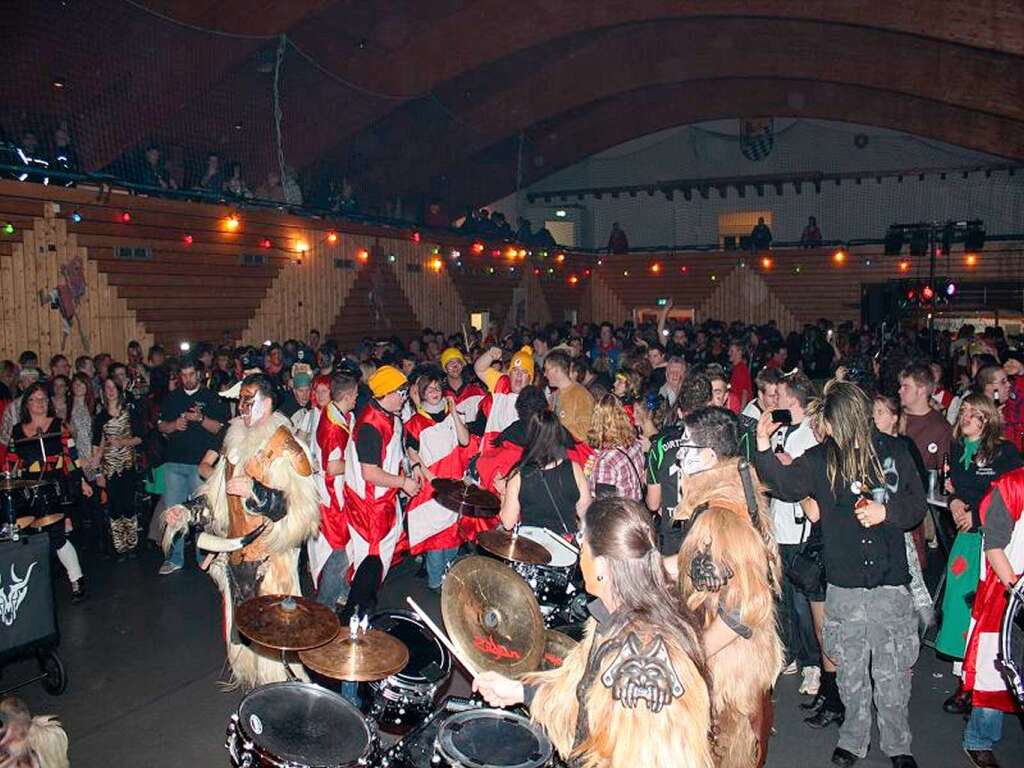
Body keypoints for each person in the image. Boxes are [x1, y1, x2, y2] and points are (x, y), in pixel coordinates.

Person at [753, 380, 925, 768]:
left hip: (889, 582)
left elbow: (916, 507)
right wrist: (764, 446)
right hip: (844, 584)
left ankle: (899, 746)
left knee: (893, 672)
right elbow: (783, 483)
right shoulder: (821, 458)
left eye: (830, 421)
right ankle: (854, 739)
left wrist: (888, 513)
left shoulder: (895, 451)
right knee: (849, 671)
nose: (825, 429)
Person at [474, 497, 714, 768]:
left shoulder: (642, 661)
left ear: (601, 568)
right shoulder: (615, 619)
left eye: (582, 547)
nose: (579, 555)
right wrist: (520, 692)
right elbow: (583, 697)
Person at [665, 405, 782, 768]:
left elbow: (743, 608)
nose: (679, 456)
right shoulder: (733, 489)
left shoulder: (720, 514)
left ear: (708, 457)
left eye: (685, 448)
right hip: (737, 662)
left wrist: (693, 655)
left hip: (729, 672)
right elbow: (692, 565)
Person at [936, 393, 1021, 718]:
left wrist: (978, 514)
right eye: (965, 411)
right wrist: (955, 502)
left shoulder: (1005, 452)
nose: (966, 416)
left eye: (974, 412)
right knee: (959, 607)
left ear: (987, 418)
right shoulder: (956, 449)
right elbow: (950, 486)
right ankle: (965, 679)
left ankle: (977, 688)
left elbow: (1012, 496)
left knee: (985, 612)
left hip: (992, 541)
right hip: (965, 541)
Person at [960, 467, 1024, 768]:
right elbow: (994, 545)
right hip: (1009, 590)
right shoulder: (1013, 485)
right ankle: (979, 738)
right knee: (996, 668)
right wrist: (1017, 591)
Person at [343, 366, 418, 618]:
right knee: (370, 564)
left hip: (383, 502)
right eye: (402, 392)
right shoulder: (369, 426)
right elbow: (370, 473)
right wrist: (403, 483)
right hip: (369, 509)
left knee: (378, 564)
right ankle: (354, 617)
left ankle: (365, 611)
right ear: (388, 392)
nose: (405, 397)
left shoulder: (389, 416)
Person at [5, 382, 91, 602]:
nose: (40, 403)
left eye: (44, 399)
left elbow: (72, 456)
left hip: (55, 486)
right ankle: (35, 585)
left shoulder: (59, 425)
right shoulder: (17, 430)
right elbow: (11, 462)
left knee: (57, 534)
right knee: (33, 536)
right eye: (35, 399)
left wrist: (81, 481)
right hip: (28, 488)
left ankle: (77, 579)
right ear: (27, 404)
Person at [765, 371, 822, 695]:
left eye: (781, 394)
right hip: (780, 525)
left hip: (802, 528)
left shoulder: (811, 436)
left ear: (793, 399)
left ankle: (813, 663)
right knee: (784, 598)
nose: (776, 400)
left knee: (804, 603)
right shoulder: (781, 430)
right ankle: (793, 654)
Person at [156, 358, 227, 575]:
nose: (187, 379)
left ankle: (203, 556)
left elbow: (220, 430)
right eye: (183, 375)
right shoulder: (172, 398)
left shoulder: (211, 397)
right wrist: (173, 425)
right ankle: (174, 558)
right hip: (174, 463)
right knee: (174, 513)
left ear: (199, 374)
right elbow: (161, 427)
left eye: (191, 374)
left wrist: (201, 418)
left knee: (203, 513)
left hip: (201, 464)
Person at [404, 371, 471, 589]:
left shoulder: (452, 413)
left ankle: (448, 576)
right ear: (422, 393)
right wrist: (428, 475)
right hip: (432, 486)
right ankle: (435, 582)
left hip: (454, 483)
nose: (434, 392)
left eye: (437, 388)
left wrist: (453, 413)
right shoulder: (415, 423)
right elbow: (411, 451)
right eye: (429, 389)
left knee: (453, 534)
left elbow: (464, 440)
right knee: (436, 538)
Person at [311, 372, 359, 610]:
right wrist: (359, 465)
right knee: (337, 553)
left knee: (343, 550)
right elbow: (331, 467)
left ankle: (340, 591)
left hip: (338, 495)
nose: (357, 398)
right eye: (356, 394)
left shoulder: (340, 415)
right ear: (348, 396)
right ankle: (324, 607)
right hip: (332, 499)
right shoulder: (333, 427)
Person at [500, 411, 591, 536]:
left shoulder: (519, 476)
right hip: (566, 547)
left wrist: (503, 495)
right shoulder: (574, 469)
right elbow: (586, 513)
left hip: (532, 548)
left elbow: (508, 523)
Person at [92, 379, 144, 560]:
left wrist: (123, 442)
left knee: (129, 504)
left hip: (128, 465)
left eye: (113, 387)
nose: (110, 390)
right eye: (107, 387)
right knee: (114, 506)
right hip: (109, 467)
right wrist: (98, 472)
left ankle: (132, 544)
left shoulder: (130, 413)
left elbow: (140, 438)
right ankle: (119, 546)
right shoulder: (100, 417)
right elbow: (96, 446)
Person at [588, 395, 645, 502]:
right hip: (638, 511)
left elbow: (605, 506)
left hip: (621, 516)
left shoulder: (606, 462)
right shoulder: (635, 445)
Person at [546, 350, 595, 443]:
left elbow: (585, 431)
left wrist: (557, 430)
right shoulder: (553, 397)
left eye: (547, 370)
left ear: (556, 369)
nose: (545, 374)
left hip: (574, 454)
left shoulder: (581, 395)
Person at [727, 341, 752, 413]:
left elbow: (745, 392)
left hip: (739, 408)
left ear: (739, 352)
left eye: (731, 351)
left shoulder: (741, 369)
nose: (729, 353)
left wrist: (741, 412)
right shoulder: (736, 368)